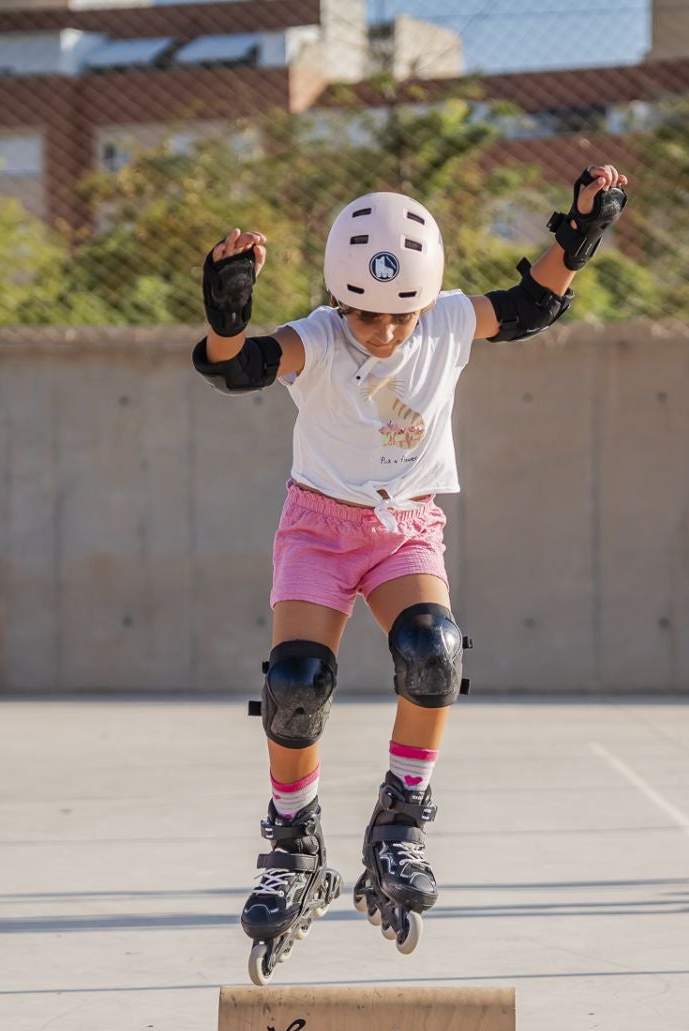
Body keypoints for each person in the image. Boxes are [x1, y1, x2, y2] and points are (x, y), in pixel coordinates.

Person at [193, 165, 631, 983]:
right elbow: (235, 368)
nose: (381, 332)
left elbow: (532, 304)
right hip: (318, 530)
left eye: (399, 315)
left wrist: (579, 234)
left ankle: (399, 823)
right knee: (297, 680)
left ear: (424, 303)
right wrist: (226, 315)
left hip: (403, 530)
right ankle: (294, 843)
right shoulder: (318, 337)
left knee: (434, 652)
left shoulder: (450, 323)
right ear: (337, 298)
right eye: (362, 312)